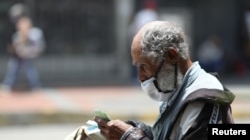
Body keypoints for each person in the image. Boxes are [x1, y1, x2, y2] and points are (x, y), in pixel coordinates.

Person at [66, 21, 235, 140]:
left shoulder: (203, 98)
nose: (140, 77)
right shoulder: (177, 92)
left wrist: (130, 137)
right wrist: (134, 130)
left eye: (143, 67)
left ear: (171, 56)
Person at [1, 15, 45, 91]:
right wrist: (20, 45)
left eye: (25, 24)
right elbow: (17, 50)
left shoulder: (35, 34)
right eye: (21, 25)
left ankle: (35, 85)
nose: (23, 27)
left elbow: (39, 47)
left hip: (32, 55)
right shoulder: (17, 35)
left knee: (28, 67)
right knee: (13, 66)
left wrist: (28, 52)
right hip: (20, 56)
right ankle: (7, 84)